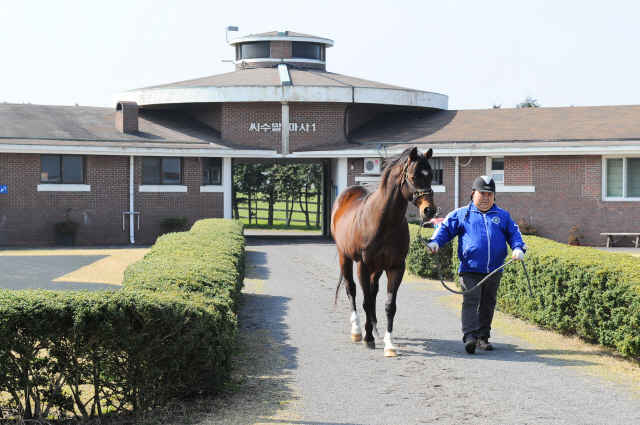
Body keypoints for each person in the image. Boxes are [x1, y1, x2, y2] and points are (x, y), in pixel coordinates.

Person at [426, 176, 526, 354]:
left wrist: (518, 248)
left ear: (494, 196)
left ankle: (482, 337)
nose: (485, 197)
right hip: (469, 269)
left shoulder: (503, 216)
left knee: (488, 303)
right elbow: (445, 230)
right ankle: (470, 337)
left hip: (494, 269)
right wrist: (435, 243)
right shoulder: (461, 214)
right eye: (482, 193)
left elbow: (514, 234)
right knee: (471, 301)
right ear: (473, 193)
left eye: (489, 194)